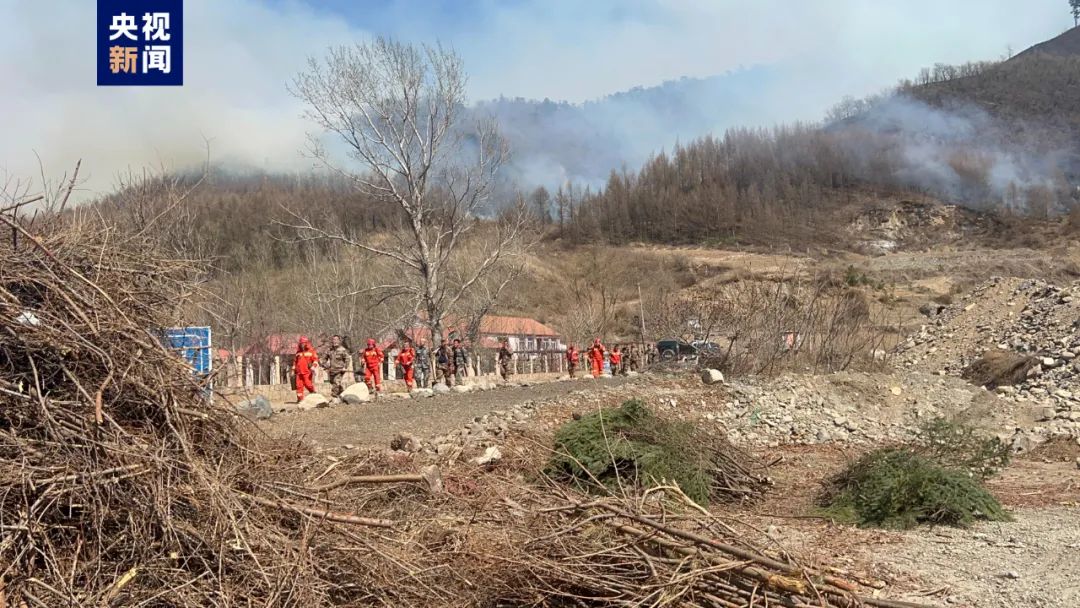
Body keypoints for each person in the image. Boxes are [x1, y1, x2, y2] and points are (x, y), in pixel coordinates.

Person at [322, 334, 350, 400]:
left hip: (340, 371)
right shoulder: (329, 350)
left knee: (336, 383)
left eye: (337, 340)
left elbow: (347, 359)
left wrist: (345, 367)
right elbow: (323, 359)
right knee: (332, 382)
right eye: (334, 340)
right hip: (332, 370)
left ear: (339, 341)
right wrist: (325, 364)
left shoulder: (342, 350)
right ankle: (342, 393)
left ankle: (334, 397)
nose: (335, 341)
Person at [293, 336, 319, 402]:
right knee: (299, 386)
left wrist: (314, 366)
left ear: (307, 343)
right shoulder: (298, 352)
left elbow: (315, 359)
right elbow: (295, 362)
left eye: (304, 343)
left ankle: (313, 393)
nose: (302, 344)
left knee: (308, 384)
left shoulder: (311, 351)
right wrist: (293, 370)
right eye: (301, 343)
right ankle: (300, 399)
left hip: (307, 372)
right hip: (299, 373)